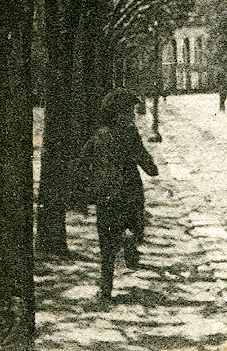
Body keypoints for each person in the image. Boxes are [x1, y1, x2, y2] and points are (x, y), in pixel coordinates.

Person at [77, 88, 158, 303]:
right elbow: (143, 158)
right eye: (129, 111)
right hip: (130, 190)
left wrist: (85, 191)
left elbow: (83, 162)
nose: (132, 115)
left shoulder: (99, 135)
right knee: (135, 223)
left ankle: (105, 288)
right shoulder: (130, 133)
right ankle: (129, 237)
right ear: (119, 114)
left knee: (106, 242)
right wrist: (152, 168)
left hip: (106, 194)